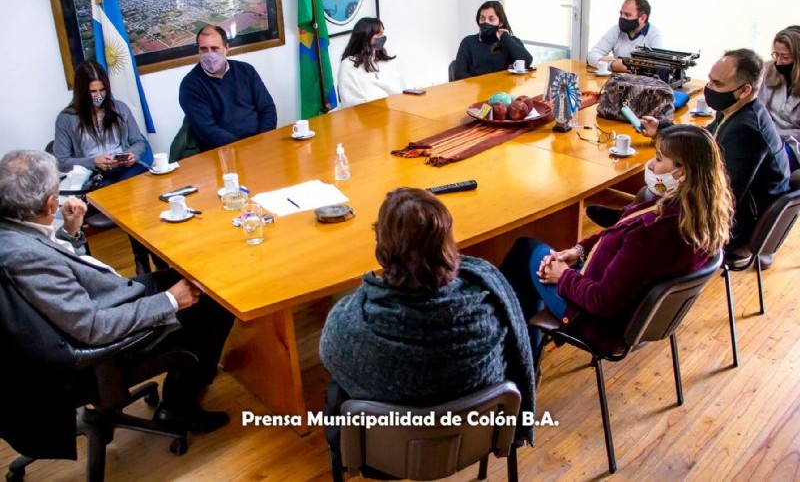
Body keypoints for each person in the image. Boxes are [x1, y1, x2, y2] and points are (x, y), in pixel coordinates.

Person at [0, 150, 234, 434]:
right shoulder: (25, 258)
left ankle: (195, 374)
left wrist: (70, 233)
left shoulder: (12, 232)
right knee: (215, 302)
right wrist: (170, 300)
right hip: (100, 339)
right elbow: (92, 327)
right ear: (51, 204)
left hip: (103, 298)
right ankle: (177, 407)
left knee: (193, 278)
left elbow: (58, 273)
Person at [319, 188, 536, 471]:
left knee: (336, 387)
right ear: (447, 245)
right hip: (477, 440)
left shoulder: (349, 324)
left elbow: (328, 354)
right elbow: (514, 356)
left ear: (381, 248)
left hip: (379, 461)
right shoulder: (490, 300)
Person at [501, 125, 733, 366]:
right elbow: (620, 229)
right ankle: (523, 353)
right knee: (533, 265)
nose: (651, 166)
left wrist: (564, 277)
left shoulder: (654, 234)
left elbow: (602, 301)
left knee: (525, 251)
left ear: (682, 173)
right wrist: (579, 250)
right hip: (624, 305)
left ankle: (520, 362)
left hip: (596, 320)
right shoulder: (697, 211)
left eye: (659, 159)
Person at [589, 50, 790, 267]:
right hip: (740, 211)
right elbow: (702, 142)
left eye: (717, 84)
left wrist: (674, 185)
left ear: (745, 90)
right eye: (710, 79)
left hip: (738, 226)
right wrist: (662, 128)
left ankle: (623, 239)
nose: (709, 88)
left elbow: (726, 194)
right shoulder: (739, 108)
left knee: (658, 188)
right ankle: (624, 223)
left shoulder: (747, 130)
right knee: (654, 188)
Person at [53, 60, 163, 275]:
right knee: (132, 203)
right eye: (92, 91)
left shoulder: (119, 108)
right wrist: (92, 161)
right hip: (96, 176)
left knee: (146, 197)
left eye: (102, 90)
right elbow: (62, 160)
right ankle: (143, 260)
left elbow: (139, 141)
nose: (98, 95)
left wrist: (134, 154)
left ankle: (152, 259)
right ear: (81, 91)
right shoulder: (66, 119)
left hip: (126, 169)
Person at [179, 25, 277, 152]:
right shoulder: (190, 85)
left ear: (227, 48)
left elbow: (267, 108)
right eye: (204, 49)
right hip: (221, 152)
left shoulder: (246, 70)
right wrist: (242, 148)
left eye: (215, 49)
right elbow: (207, 130)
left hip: (260, 144)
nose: (209, 54)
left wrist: (263, 139)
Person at [454, 0, 533, 80]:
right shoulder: (468, 42)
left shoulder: (509, 41)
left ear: (501, 22)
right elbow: (459, 73)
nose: (486, 22)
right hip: (478, 90)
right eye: (482, 18)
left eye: (491, 19)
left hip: (504, 89)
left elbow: (527, 61)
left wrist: (505, 37)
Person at [757, 27, 800, 172]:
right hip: (763, 137)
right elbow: (756, 108)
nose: (779, 62)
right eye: (777, 55)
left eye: (785, 57)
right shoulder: (767, 70)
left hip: (792, 145)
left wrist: (774, 135)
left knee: (766, 167)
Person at [336, 17, 405, 108]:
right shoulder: (348, 64)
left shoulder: (386, 61)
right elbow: (350, 100)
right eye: (378, 34)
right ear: (365, 36)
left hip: (394, 110)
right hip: (366, 115)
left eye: (382, 34)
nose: (382, 38)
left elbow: (400, 90)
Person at [587, 0, 664, 72]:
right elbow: (591, 56)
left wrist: (626, 66)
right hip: (616, 81)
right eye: (621, 13)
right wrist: (611, 65)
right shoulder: (616, 30)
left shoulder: (654, 35)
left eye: (627, 14)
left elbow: (658, 66)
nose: (622, 17)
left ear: (643, 18)